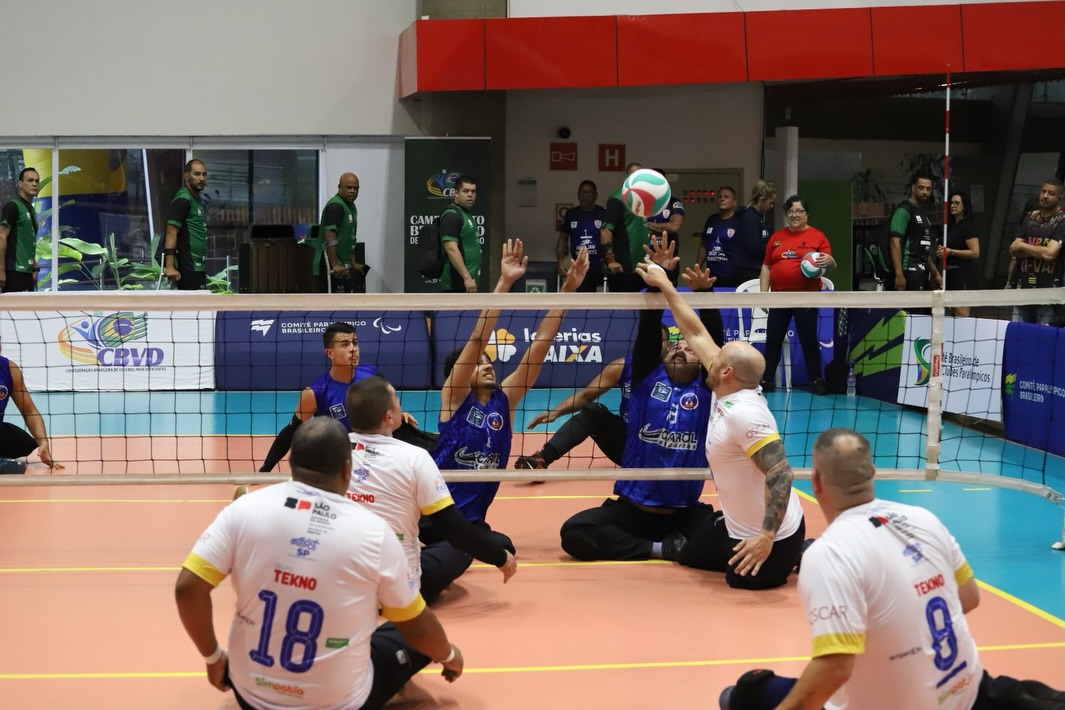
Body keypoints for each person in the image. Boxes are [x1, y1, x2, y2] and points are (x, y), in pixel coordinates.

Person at [719, 427, 1065, 710]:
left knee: (748, 691)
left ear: (817, 483)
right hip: (972, 693)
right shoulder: (923, 519)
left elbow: (834, 669)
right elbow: (969, 597)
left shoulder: (829, 554)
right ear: (872, 473)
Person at [175, 417, 464, 710]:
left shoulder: (243, 509)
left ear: (291, 463)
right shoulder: (374, 532)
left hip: (250, 696)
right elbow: (416, 626)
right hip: (341, 704)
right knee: (415, 632)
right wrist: (450, 656)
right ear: (348, 469)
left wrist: (213, 658)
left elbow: (187, 588)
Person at [627, 251, 807, 590]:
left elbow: (781, 473)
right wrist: (664, 283)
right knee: (688, 554)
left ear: (725, 372)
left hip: (773, 539)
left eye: (719, 356)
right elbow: (694, 331)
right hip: (736, 528)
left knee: (738, 582)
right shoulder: (728, 383)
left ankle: (802, 551)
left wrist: (767, 537)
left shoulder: (745, 413)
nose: (711, 353)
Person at [559, 242, 725, 571]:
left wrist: (706, 296)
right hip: (633, 511)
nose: (679, 349)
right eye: (674, 346)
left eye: (689, 349)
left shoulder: (709, 390)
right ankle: (661, 549)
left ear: (704, 363)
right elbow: (649, 327)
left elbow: (711, 342)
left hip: (684, 512)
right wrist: (660, 277)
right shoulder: (647, 378)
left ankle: (675, 545)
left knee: (733, 538)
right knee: (574, 532)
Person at [432, 240, 589, 523]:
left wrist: (568, 290)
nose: (487, 364)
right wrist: (504, 282)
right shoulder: (454, 396)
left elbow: (541, 344)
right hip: (437, 518)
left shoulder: (504, 400)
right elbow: (477, 339)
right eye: (478, 362)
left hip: (473, 523)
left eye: (487, 361)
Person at [345, 375, 516, 604]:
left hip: (342, 585)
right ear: (389, 416)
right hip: (398, 592)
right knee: (461, 548)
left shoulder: (333, 450)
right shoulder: (415, 458)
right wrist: (499, 557)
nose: (400, 404)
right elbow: (453, 528)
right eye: (396, 400)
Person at [258, 322, 427, 473]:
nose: (353, 349)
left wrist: (398, 414)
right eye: (345, 344)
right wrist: (264, 470)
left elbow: (383, 407)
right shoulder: (315, 392)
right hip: (340, 460)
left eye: (355, 343)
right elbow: (290, 432)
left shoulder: (370, 375)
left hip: (374, 452)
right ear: (329, 353)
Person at [758, 195, 836, 394]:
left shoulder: (817, 236)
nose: (795, 215)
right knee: (773, 340)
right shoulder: (776, 238)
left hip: (807, 297)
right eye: (791, 211)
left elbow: (831, 264)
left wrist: (830, 261)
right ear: (786, 214)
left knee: (809, 340)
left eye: (799, 211)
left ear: (806, 214)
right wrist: (763, 294)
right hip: (779, 297)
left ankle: (816, 380)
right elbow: (766, 266)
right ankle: (766, 380)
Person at [1006, 179, 1064, 325]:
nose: (1045, 196)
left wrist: (1023, 246)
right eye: (1043, 191)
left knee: (1044, 336)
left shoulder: (1062, 220)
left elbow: (1050, 254)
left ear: (1059, 198)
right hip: (1022, 289)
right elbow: (1013, 249)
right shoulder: (1030, 217)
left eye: (1051, 193)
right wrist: (1039, 251)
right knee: (1018, 334)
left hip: (1048, 292)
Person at [0, 349, 62, 472]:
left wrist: (43, 442)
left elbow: (30, 411)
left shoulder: (9, 369)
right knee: (14, 468)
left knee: (24, 444)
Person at [313, 172, 366, 293]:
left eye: (356, 188)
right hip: (328, 266)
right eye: (348, 187)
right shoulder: (335, 206)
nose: (352, 191)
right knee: (330, 304)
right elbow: (330, 235)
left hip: (343, 267)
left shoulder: (351, 207)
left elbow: (349, 239)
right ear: (339, 187)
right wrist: (335, 264)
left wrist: (353, 263)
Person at [889, 170, 939, 292]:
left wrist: (935, 273)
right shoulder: (904, 210)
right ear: (913, 188)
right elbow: (894, 242)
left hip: (922, 271)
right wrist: (899, 274)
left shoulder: (922, 214)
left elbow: (923, 249)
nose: (925, 192)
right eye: (921, 188)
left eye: (928, 189)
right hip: (908, 270)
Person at [600, 162, 647, 292]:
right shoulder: (617, 199)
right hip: (624, 269)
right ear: (626, 177)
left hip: (643, 268)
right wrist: (610, 260)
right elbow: (605, 231)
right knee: (624, 305)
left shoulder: (643, 199)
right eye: (633, 176)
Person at [163, 159, 209, 290]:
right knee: (195, 303)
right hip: (188, 267)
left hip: (197, 266)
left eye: (204, 174)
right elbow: (171, 231)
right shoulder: (183, 199)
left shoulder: (196, 200)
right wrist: (170, 267)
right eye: (197, 174)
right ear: (186, 176)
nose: (201, 178)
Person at [937, 189, 981, 317]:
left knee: (961, 313)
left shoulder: (967, 226)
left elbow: (975, 252)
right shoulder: (949, 227)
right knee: (951, 312)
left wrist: (951, 252)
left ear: (964, 206)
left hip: (962, 274)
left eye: (957, 203)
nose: (953, 206)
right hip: (949, 274)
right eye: (951, 203)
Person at [556, 179, 606, 292]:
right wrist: (560, 262)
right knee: (582, 297)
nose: (584, 196)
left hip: (599, 265)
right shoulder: (571, 214)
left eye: (588, 192)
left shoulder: (603, 213)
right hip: (579, 266)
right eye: (581, 192)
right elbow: (562, 240)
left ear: (596, 196)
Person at [0, 167, 41, 293]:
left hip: (27, 273)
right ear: (20, 184)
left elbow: (26, 242)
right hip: (14, 272)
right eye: (30, 180)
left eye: (37, 181)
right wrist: (1, 270)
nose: (34, 184)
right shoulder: (13, 206)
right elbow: (2, 237)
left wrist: (34, 268)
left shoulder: (30, 209)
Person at [439, 175, 482, 293]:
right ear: (456, 193)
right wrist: (467, 277)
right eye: (465, 191)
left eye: (473, 191)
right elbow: (451, 248)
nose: (470, 195)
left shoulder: (465, 214)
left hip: (469, 282)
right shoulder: (451, 215)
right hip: (458, 283)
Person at [696, 186, 745, 287]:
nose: (722, 199)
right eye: (720, 197)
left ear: (734, 202)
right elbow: (703, 246)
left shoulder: (739, 221)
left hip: (731, 277)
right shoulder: (711, 219)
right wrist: (698, 267)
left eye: (726, 197)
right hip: (711, 276)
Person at [732, 180, 777, 286]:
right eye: (770, 203)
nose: (771, 206)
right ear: (762, 199)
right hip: (749, 273)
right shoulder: (750, 218)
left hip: (754, 270)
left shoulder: (759, 218)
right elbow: (753, 247)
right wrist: (773, 246)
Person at [646, 176, 685, 284]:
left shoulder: (674, 203)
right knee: (646, 291)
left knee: (668, 289)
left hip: (668, 259)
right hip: (646, 257)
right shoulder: (642, 202)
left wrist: (648, 225)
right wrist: (663, 227)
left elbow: (674, 227)